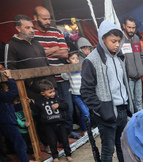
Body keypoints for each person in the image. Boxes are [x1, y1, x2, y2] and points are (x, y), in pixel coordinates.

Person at [81, 21, 133, 162]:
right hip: (106, 113)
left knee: (123, 145)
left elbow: (123, 84)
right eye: (113, 41)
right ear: (102, 39)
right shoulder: (92, 60)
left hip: (122, 109)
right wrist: (102, 109)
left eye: (119, 41)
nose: (117, 44)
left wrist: (129, 104)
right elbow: (86, 92)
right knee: (108, 149)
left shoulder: (118, 57)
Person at [33, 6, 75, 138]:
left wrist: (45, 51)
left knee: (68, 107)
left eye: (48, 19)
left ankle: (68, 132)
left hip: (62, 77)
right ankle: (56, 137)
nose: (47, 21)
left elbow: (65, 53)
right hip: (45, 81)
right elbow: (36, 55)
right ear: (35, 18)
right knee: (49, 111)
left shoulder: (56, 32)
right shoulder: (32, 34)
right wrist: (54, 48)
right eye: (44, 19)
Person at [0, 67, 40, 162]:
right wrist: (10, 78)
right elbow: (14, 91)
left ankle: (25, 160)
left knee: (18, 143)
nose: (8, 90)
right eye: (6, 89)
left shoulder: (4, 100)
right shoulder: (2, 97)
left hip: (7, 123)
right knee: (20, 144)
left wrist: (23, 103)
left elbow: (11, 108)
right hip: (8, 124)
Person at [6, 14, 54, 94]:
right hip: (31, 91)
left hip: (49, 88)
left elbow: (46, 63)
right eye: (27, 28)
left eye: (32, 27)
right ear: (18, 28)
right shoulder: (11, 44)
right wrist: (30, 83)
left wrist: (52, 82)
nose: (32, 30)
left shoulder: (37, 43)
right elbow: (10, 68)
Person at [31, 79, 73, 162]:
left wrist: (59, 105)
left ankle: (68, 154)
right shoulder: (40, 101)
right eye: (50, 92)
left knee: (65, 140)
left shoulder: (58, 98)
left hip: (60, 123)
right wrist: (31, 103)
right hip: (49, 125)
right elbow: (36, 111)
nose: (53, 93)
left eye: (53, 91)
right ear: (43, 93)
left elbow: (66, 106)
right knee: (52, 141)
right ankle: (55, 156)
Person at [61, 52, 90, 135]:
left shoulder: (82, 67)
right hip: (76, 95)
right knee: (85, 112)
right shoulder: (69, 70)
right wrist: (69, 69)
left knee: (86, 112)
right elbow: (63, 76)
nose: (76, 60)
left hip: (85, 94)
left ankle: (87, 129)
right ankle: (85, 131)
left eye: (77, 58)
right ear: (68, 60)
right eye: (73, 59)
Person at [120, 17, 143, 113]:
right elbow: (119, 60)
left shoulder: (136, 38)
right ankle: (131, 123)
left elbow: (141, 55)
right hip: (128, 79)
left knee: (139, 100)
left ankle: (140, 121)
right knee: (131, 101)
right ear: (124, 26)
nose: (131, 30)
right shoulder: (121, 40)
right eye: (129, 27)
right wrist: (125, 75)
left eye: (133, 28)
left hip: (138, 77)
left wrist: (141, 68)